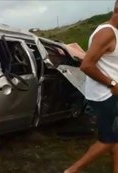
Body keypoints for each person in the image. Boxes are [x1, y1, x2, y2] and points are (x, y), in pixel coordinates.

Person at [64, 1, 118, 173]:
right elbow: (87, 65)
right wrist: (112, 83)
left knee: (115, 138)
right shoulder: (106, 33)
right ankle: (72, 170)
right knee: (108, 139)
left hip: (111, 93)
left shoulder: (114, 32)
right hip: (106, 95)